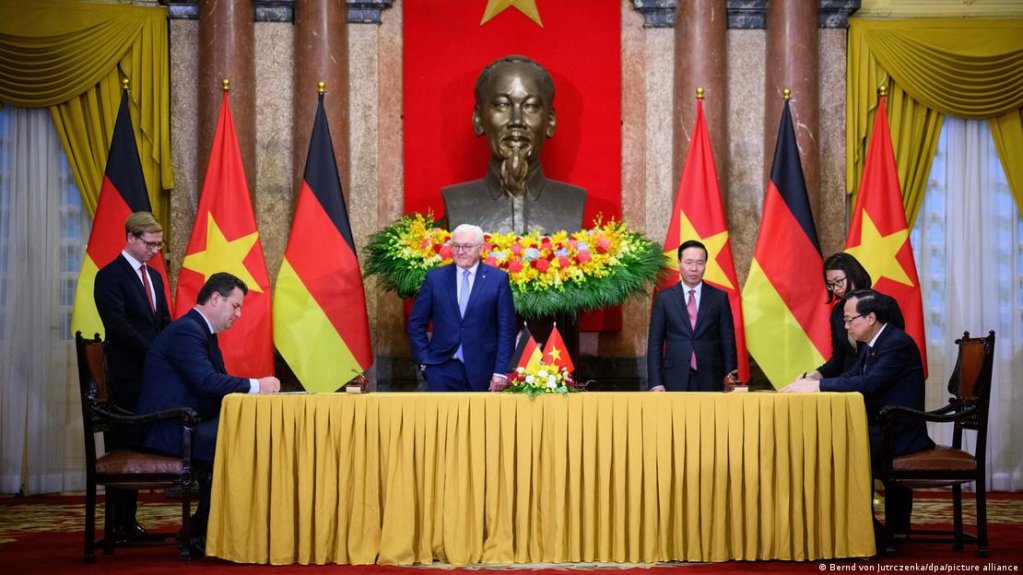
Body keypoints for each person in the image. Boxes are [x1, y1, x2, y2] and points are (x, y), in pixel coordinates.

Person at [136, 272, 279, 551]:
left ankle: (208, 528)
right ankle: (205, 531)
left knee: (242, 433)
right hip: (168, 428)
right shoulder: (187, 331)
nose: (239, 314)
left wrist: (249, 395)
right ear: (215, 298)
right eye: (235, 305)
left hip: (186, 422)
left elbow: (214, 385)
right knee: (238, 440)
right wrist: (256, 385)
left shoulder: (202, 332)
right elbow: (207, 382)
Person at [782, 289, 933, 547]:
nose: (846, 326)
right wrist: (811, 382)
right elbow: (852, 377)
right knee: (832, 439)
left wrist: (817, 388)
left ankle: (860, 525)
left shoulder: (896, 343)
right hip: (880, 427)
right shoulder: (871, 345)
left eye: (850, 319)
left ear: (871, 317)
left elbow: (871, 384)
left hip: (899, 432)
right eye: (844, 320)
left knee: (839, 446)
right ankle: (847, 523)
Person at [93, 211, 172, 541]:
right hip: (126, 379)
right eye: (150, 244)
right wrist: (154, 354)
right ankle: (117, 524)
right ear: (131, 238)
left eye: (158, 244)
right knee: (125, 445)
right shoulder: (109, 276)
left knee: (140, 446)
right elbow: (119, 328)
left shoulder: (153, 278)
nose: (155, 251)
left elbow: (164, 322)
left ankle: (130, 523)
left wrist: (171, 350)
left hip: (151, 376)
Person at [442, 55, 586, 235]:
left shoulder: (573, 202)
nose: (516, 121)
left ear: (550, 121)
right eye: (502, 105)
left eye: (531, 106)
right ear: (479, 119)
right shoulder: (457, 202)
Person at [407, 224, 517, 391]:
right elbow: (416, 323)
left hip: (484, 370)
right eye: (456, 246)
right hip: (440, 367)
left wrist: (501, 371)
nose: (460, 251)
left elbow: (506, 330)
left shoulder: (498, 280)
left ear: (480, 249)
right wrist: (424, 360)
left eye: (467, 246)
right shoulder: (435, 278)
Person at [647, 240, 738, 392]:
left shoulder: (719, 298)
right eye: (689, 262)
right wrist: (656, 382)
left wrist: (731, 377)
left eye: (699, 263)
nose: (694, 268)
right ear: (679, 263)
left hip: (712, 378)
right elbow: (655, 344)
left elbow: (728, 342)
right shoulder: (664, 298)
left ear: (705, 265)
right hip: (673, 378)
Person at [804, 253, 904, 380]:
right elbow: (838, 360)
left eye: (838, 281)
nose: (835, 288)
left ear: (853, 275)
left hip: (879, 384)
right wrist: (811, 377)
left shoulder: (885, 304)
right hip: (848, 384)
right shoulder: (837, 312)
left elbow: (893, 353)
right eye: (830, 284)